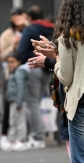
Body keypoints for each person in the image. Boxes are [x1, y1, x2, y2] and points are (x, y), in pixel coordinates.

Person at [30, 36, 75, 163]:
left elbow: (67, 72)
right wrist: (51, 52)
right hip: (71, 107)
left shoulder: (74, 37)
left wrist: (52, 57)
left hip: (75, 107)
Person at [52, 0, 84, 163]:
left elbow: (66, 76)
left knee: (80, 160)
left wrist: (55, 62)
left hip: (81, 101)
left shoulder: (68, 37)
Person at [17, 5, 54, 149]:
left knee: (32, 103)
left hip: (34, 66)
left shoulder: (30, 29)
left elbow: (21, 50)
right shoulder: (52, 27)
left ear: (29, 17)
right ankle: (41, 135)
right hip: (49, 67)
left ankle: (38, 137)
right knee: (37, 102)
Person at [0, 8, 28, 151]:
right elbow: (2, 54)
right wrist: (14, 44)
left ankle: (23, 137)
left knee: (23, 110)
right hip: (11, 75)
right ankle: (8, 136)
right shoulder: (6, 35)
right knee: (9, 108)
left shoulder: (29, 29)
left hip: (29, 70)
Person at [5, 52, 28, 151]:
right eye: (9, 62)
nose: (10, 64)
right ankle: (13, 140)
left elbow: (21, 87)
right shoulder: (13, 72)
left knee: (19, 121)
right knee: (13, 120)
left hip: (18, 101)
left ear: (18, 62)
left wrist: (19, 102)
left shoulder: (18, 72)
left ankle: (20, 140)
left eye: (12, 62)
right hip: (13, 100)